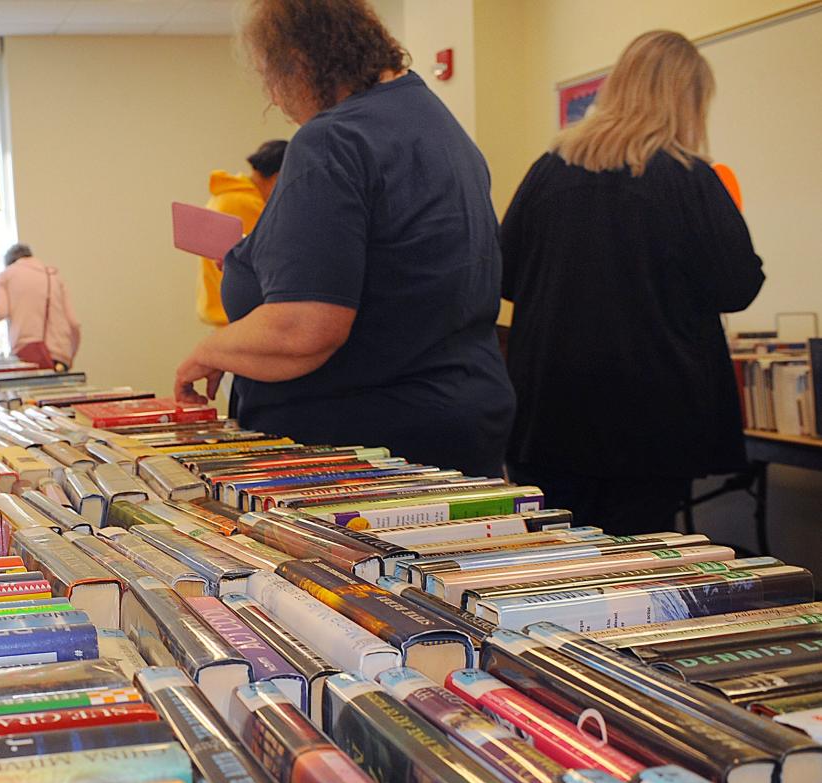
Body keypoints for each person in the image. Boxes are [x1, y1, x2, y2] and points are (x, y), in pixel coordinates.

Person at [173, 0, 514, 479]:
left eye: (271, 78)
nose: (277, 99)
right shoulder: (441, 127)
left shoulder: (333, 139)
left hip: (364, 451)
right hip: (458, 423)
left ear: (299, 60)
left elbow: (305, 327)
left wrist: (207, 352)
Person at [500, 30, 764, 535]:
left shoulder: (547, 173)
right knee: (638, 579)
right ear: (687, 100)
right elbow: (738, 287)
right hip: (653, 421)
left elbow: (505, 276)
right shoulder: (690, 180)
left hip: (548, 414)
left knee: (552, 566)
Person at [197, 139, 288, 326]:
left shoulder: (226, 195)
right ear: (278, 177)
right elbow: (267, 260)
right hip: (239, 319)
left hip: (222, 314)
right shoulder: (246, 203)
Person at [0, 244, 80, 372]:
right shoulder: (53, 276)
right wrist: (70, 355)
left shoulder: (5, 277)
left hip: (28, 353)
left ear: (9, 262)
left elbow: (0, 311)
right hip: (60, 355)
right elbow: (74, 323)